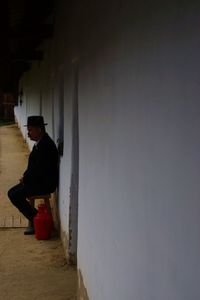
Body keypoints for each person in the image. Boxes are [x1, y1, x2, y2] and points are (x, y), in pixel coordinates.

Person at [8, 116, 59, 235]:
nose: (28, 133)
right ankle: (36, 219)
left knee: (15, 195)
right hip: (37, 181)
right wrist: (25, 177)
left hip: (45, 184)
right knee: (11, 192)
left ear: (39, 130)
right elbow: (33, 167)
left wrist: (26, 179)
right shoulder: (40, 143)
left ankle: (37, 219)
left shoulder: (46, 145)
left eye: (30, 130)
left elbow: (39, 170)